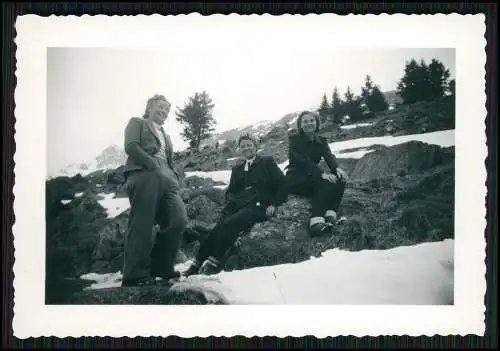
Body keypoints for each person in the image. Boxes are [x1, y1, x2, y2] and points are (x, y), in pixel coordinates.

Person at [183, 133, 288, 276]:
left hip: (258, 206)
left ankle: (214, 261)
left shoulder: (267, 162)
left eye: (249, 145)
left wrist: (274, 204)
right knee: (216, 228)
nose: (246, 148)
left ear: (255, 147)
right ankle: (196, 264)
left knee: (230, 224)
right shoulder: (237, 169)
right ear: (239, 149)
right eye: (243, 146)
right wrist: (229, 203)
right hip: (237, 205)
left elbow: (282, 184)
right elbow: (231, 191)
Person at [121, 94, 188, 287]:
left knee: (178, 220)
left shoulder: (166, 135)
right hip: (144, 173)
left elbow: (169, 160)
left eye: (166, 109)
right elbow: (131, 146)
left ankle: (162, 267)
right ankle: (134, 275)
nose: (163, 111)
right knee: (142, 223)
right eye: (160, 107)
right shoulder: (137, 122)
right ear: (149, 107)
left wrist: (173, 176)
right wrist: (152, 164)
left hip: (168, 179)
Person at [285, 111, 348, 236]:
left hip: (311, 177)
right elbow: (302, 160)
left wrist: (337, 169)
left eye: (312, 120)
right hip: (296, 178)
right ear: (300, 125)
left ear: (317, 123)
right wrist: (321, 173)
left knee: (340, 178)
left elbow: (329, 156)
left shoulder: (322, 141)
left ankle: (331, 216)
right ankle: (315, 223)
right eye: (305, 121)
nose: (309, 123)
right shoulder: (294, 140)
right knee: (325, 182)